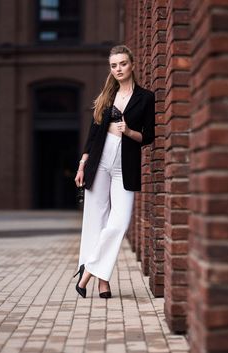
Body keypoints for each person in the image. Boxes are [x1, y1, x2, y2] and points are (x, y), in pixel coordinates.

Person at [74, 45, 155, 298]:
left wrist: (129, 132)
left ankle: (86, 271)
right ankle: (102, 282)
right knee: (95, 221)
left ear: (132, 64)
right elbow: (93, 133)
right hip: (100, 159)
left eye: (122, 63)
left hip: (125, 164)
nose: (118, 69)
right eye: (113, 65)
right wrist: (82, 164)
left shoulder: (146, 97)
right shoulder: (107, 97)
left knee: (119, 222)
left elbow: (149, 136)